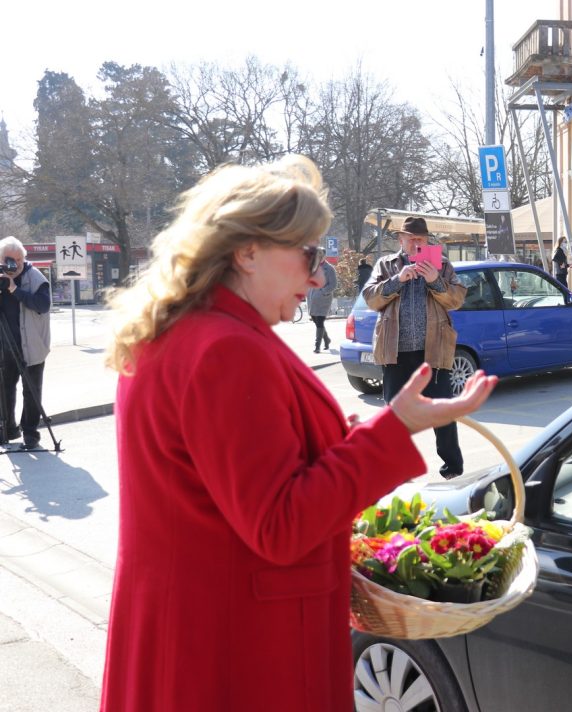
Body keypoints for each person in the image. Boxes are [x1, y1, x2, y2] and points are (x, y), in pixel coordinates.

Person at [100, 156, 496, 712]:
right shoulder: (226, 349)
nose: (317, 277)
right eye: (309, 254)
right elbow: (280, 524)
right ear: (247, 250)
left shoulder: (180, 332)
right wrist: (395, 430)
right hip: (239, 654)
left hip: (195, 639)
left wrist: (381, 428)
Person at [363, 216, 468, 479]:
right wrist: (397, 280)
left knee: (442, 411)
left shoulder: (441, 265)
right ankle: (394, 468)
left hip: (433, 351)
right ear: (400, 240)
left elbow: (456, 300)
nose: (416, 243)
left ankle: (452, 468)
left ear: (427, 240)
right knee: (394, 415)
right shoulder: (387, 265)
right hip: (395, 351)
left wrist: (435, 281)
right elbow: (370, 299)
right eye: (410, 239)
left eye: (420, 239)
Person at [0, 236, 51, 451]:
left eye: (20, 259)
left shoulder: (35, 277)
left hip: (32, 345)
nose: (16, 264)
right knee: (4, 390)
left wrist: (14, 289)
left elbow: (43, 305)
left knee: (32, 391)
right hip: (5, 347)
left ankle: (30, 433)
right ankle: (8, 429)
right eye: (11, 260)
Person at [307, 257, 337, 353]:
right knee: (315, 320)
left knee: (319, 321)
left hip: (323, 299)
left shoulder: (329, 268)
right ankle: (327, 339)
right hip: (312, 297)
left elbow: (333, 284)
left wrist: (323, 291)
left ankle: (317, 346)